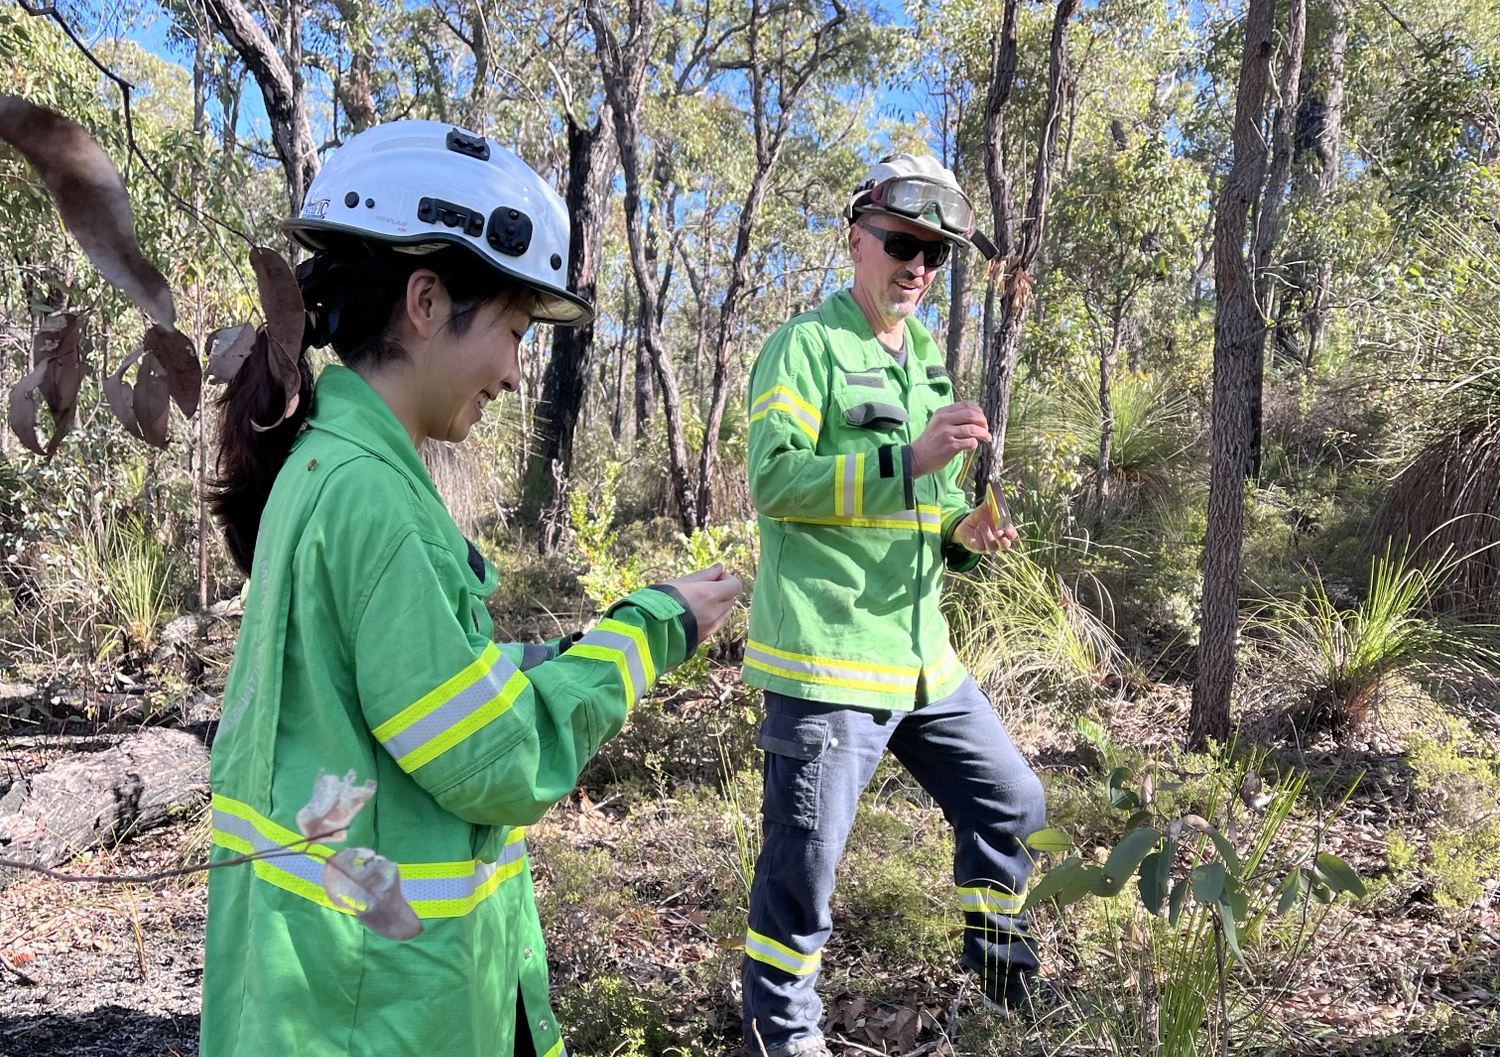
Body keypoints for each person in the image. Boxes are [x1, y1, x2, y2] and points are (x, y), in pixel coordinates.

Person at [200, 119, 741, 1057]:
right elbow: (493, 758)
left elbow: (404, 689)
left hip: (333, 985)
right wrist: (654, 627)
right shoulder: (374, 501)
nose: (510, 371)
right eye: (513, 332)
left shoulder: (331, 464)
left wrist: (544, 655)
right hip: (379, 1010)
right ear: (424, 299)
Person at [739, 153, 1047, 1057]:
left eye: (935, 256)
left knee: (1012, 801)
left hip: (924, 662)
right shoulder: (804, 348)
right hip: (828, 661)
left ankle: (1001, 982)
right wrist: (905, 461)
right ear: (856, 240)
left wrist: (964, 530)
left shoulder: (928, 371)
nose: (917, 267)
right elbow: (772, 478)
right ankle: (782, 1036)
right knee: (804, 869)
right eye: (903, 244)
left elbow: (932, 507)